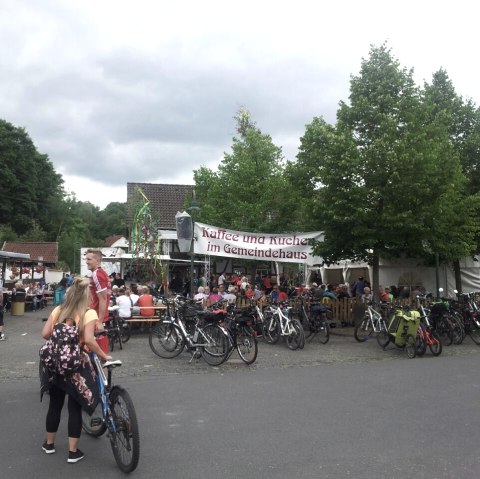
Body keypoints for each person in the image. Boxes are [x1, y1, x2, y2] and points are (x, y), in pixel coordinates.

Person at [41, 277, 112, 463]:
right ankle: (73, 452)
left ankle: (49, 444)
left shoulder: (58, 310)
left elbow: (45, 334)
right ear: (87, 296)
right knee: (74, 407)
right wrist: (104, 355)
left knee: (55, 404)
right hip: (76, 365)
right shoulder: (89, 313)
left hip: (56, 364)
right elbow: (89, 340)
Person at [85, 249, 111, 353]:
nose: (86, 261)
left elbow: (103, 299)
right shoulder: (101, 273)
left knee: (98, 352)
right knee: (99, 352)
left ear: (97, 260)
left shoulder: (97, 274)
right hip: (96, 316)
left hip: (95, 318)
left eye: (89, 259)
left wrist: (99, 321)